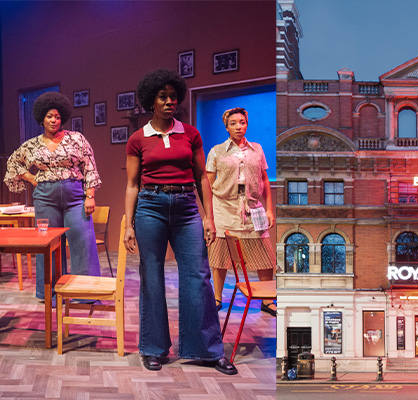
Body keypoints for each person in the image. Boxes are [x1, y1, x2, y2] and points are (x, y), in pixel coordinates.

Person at [124, 68, 236, 375]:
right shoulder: (138, 138)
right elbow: (133, 184)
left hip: (187, 207)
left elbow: (202, 177)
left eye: (173, 96)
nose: (170, 101)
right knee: (151, 276)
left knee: (198, 276)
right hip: (150, 207)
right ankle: (153, 347)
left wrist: (208, 217)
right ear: (151, 101)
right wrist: (129, 226)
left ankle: (207, 350)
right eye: (163, 97)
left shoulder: (190, 134)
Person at [4, 91, 102, 301]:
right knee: (48, 244)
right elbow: (13, 163)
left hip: (75, 197)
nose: (54, 120)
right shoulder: (32, 145)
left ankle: (86, 293)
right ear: (42, 118)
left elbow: (89, 165)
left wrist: (90, 195)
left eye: (57, 116)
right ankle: (50, 293)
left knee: (82, 241)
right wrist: (31, 178)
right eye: (50, 116)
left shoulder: (76, 139)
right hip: (45, 198)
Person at [205, 107, 276, 316]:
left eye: (242, 122)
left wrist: (270, 209)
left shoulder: (257, 149)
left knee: (265, 254)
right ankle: (217, 297)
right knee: (220, 256)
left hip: (253, 207)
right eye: (234, 123)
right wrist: (208, 215)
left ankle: (267, 299)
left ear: (247, 124)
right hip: (224, 208)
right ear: (226, 126)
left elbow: (264, 180)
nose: (238, 126)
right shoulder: (217, 151)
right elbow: (207, 184)